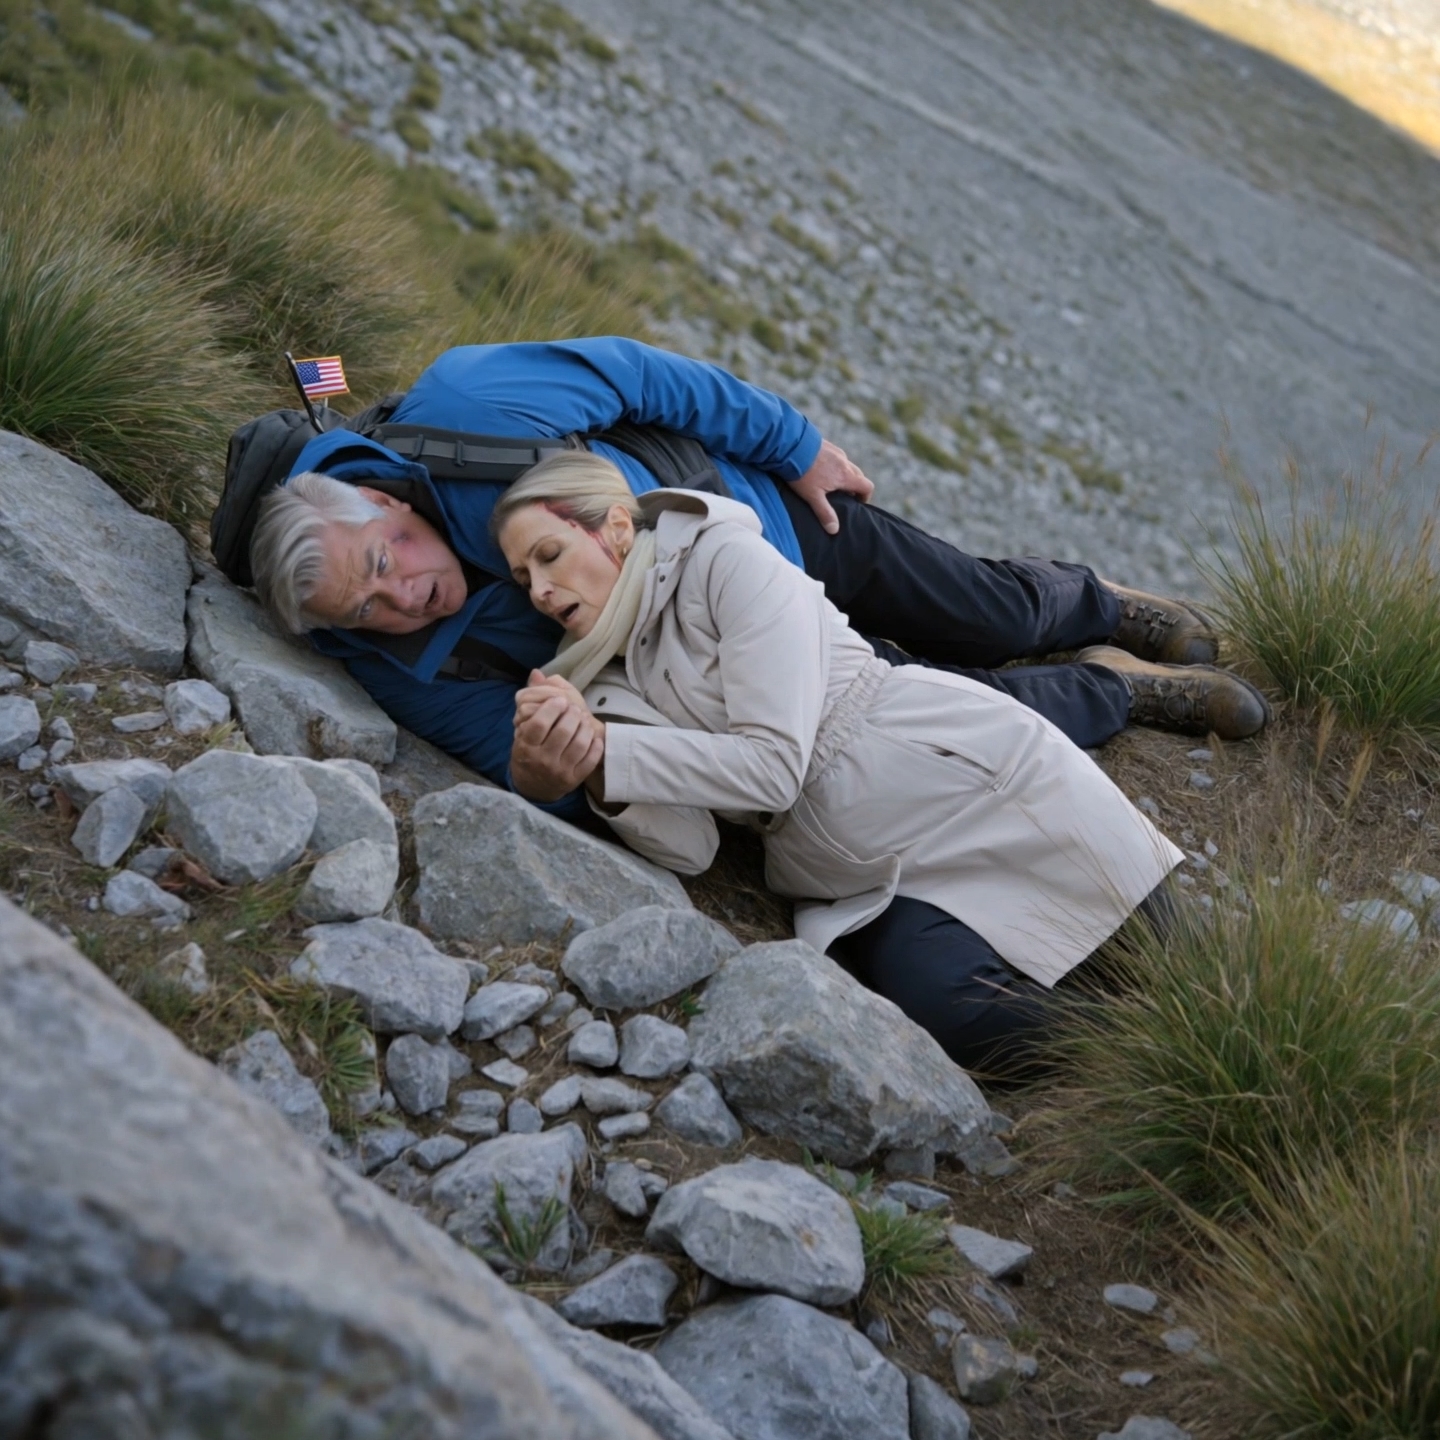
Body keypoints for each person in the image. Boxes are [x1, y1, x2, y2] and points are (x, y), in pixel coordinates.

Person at [248, 337, 1268, 826]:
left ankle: (1100, 605)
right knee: (944, 717)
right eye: (367, 612)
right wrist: (561, 777)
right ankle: (1119, 688)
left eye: (386, 567)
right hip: (713, 683)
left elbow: (648, 377)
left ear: (381, 504)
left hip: (771, 522)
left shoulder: (472, 404)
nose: (403, 603)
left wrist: (796, 443)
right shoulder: (387, 658)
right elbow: (513, 760)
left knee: (981, 609)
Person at [489, 451, 1185, 1075]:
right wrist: (591, 772)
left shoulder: (724, 560)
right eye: (523, 579)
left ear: (613, 526)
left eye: (549, 555)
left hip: (963, 781)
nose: (541, 591)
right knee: (960, 1019)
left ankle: (1121, 674)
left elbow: (773, 768)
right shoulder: (596, 686)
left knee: (1178, 953)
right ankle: (1155, 1053)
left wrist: (614, 749)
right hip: (864, 881)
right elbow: (693, 848)